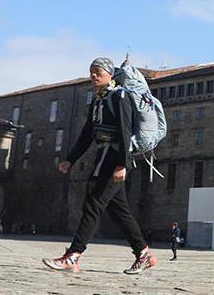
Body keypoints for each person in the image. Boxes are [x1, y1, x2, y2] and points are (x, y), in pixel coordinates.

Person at [43, 57, 156, 276]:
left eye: (98, 72)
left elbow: (124, 131)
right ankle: (143, 253)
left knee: (93, 204)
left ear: (110, 74)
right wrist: (71, 159)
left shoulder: (120, 96)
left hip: (114, 158)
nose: (93, 76)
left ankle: (74, 255)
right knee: (119, 210)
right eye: (91, 72)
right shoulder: (97, 100)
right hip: (102, 156)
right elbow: (87, 134)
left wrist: (122, 163)